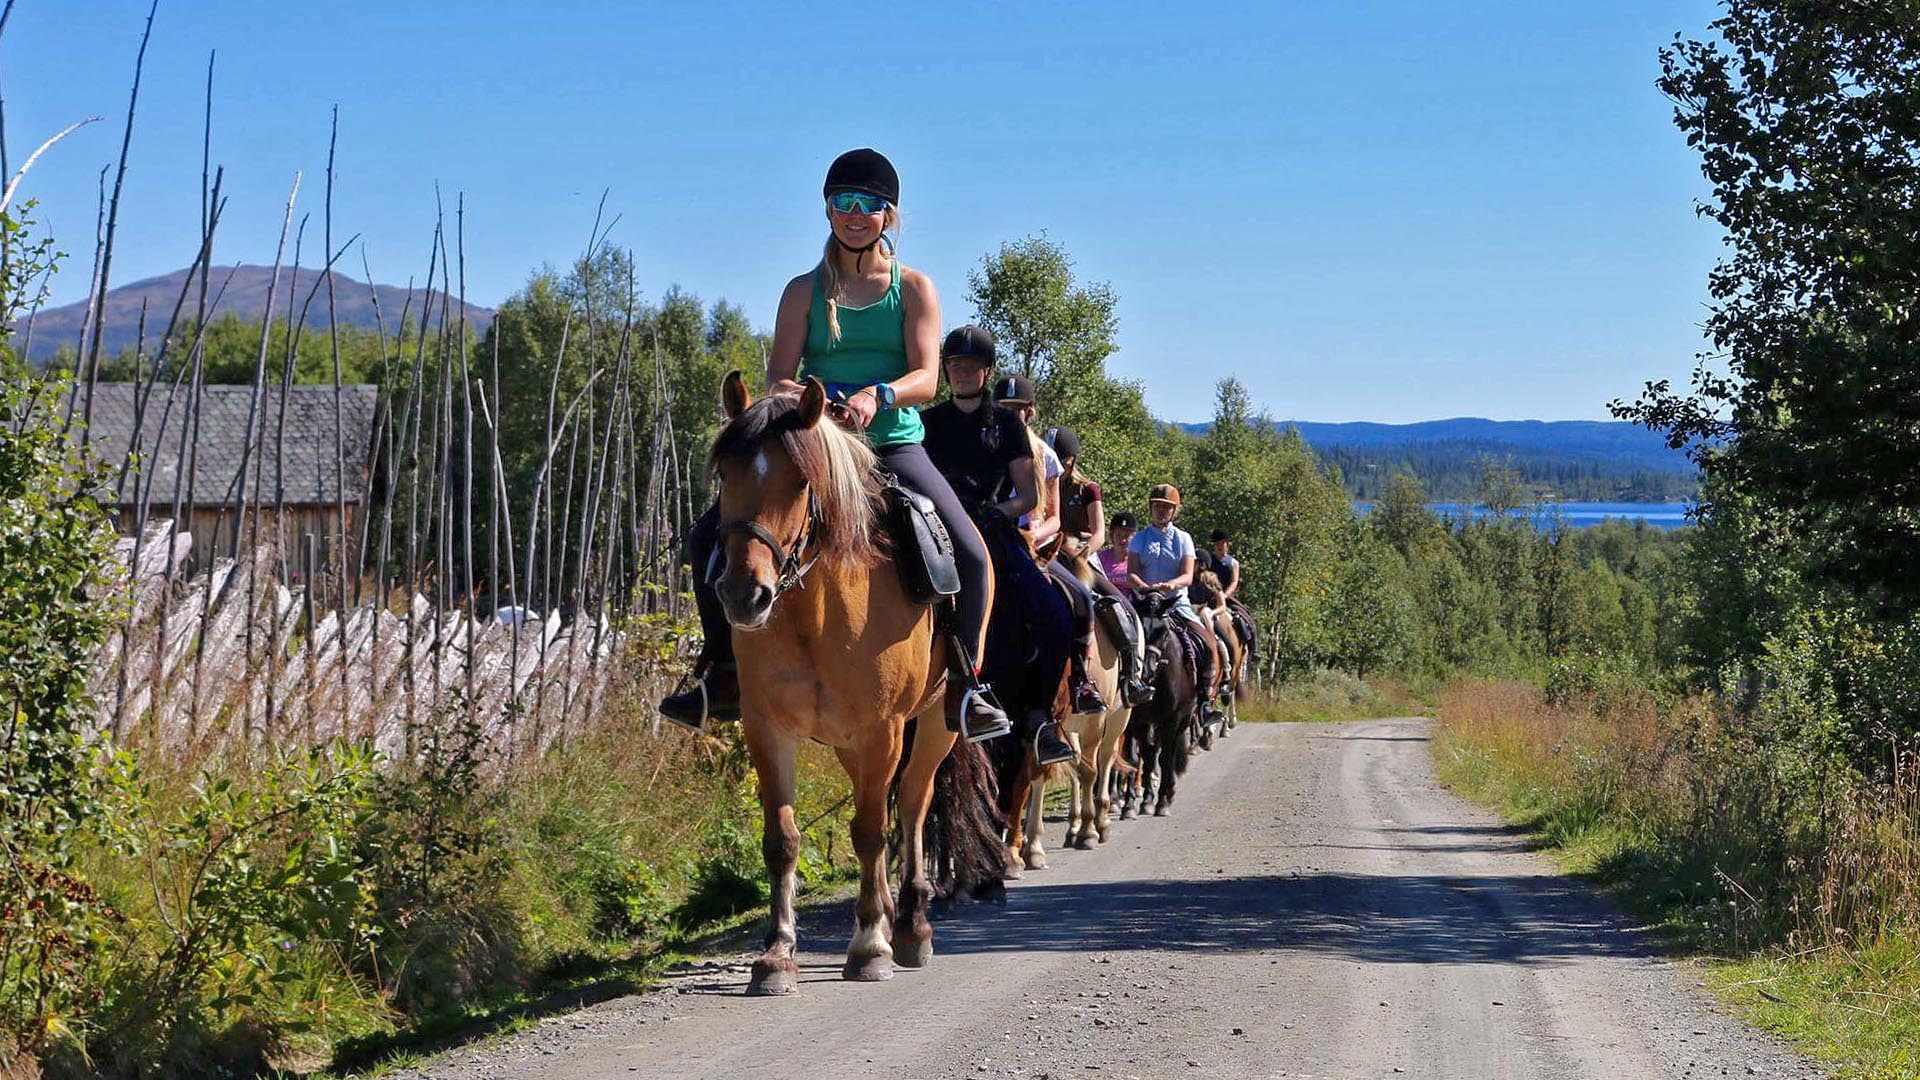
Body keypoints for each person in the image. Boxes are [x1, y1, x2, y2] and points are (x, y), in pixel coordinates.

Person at [660, 148, 1010, 742]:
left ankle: (968, 686)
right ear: (827, 210)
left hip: (892, 445)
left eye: (869, 204)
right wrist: (813, 401)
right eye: (843, 202)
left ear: (888, 215)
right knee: (707, 540)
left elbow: (927, 376)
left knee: (972, 556)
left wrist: (879, 395)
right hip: (817, 446)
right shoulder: (802, 291)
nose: (855, 213)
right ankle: (718, 675)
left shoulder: (915, 288)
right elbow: (777, 376)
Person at [920, 326, 1077, 766]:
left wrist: (995, 513)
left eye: (972, 366)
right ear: (946, 370)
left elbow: (1028, 494)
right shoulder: (928, 423)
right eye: (956, 365)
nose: (964, 373)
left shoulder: (1007, 424)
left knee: (1054, 614)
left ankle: (1041, 718)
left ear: (986, 371)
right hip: (935, 524)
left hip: (990, 523)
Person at [990, 376, 1105, 715]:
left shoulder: (1046, 457)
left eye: (1017, 410)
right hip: (988, 539)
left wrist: (1034, 536)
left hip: (1030, 546)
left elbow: (1054, 518)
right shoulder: (982, 448)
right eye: (1003, 408)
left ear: (1030, 412)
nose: (1010, 415)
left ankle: (1080, 680)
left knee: (1081, 596)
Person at [1044, 426, 1153, 706]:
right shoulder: (1038, 484)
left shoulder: (1088, 490)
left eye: (1061, 460)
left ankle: (1130, 675)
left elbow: (1100, 533)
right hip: (1047, 553)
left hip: (1080, 557)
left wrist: (1080, 554)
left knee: (1121, 605)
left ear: (1071, 461)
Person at [1126, 484, 1225, 726]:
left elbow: (1188, 576)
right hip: (1145, 601)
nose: (1161, 511)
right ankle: (1119, 691)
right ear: (1151, 508)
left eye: (1167, 508)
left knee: (1209, 644)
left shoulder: (1183, 539)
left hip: (1175, 603)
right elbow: (1132, 574)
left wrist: (1171, 585)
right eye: (1158, 507)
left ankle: (1203, 702)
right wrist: (1146, 588)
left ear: (1174, 512)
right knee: (1119, 635)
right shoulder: (1139, 538)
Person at [1099, 511, 1137, 592]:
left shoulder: (1139, 559)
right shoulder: (1101, 558)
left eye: (1126, 536)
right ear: (1112, 536)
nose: (1122, 540)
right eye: (1118, 535)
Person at [1207, 529, 1241, 602]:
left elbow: (1234, 582)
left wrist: (1224, 596)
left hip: (1226, 597)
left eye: (1222, 543)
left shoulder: (1233, 563)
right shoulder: (1208, 560)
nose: (1219, 546)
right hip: (1208, 596)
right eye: (1217, 544)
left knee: (1241, 612)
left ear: (1227, 544)